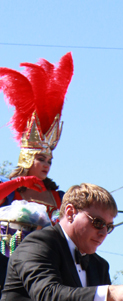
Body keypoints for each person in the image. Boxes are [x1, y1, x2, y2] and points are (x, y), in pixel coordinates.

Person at [0, 53, 74, 288]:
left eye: (49, 161)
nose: (46, 165)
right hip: (7, 267)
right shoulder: (8, 189)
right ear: (27, 157)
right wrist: (18, 182)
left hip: (47, 268)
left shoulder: (59, 197)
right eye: (41, 158)